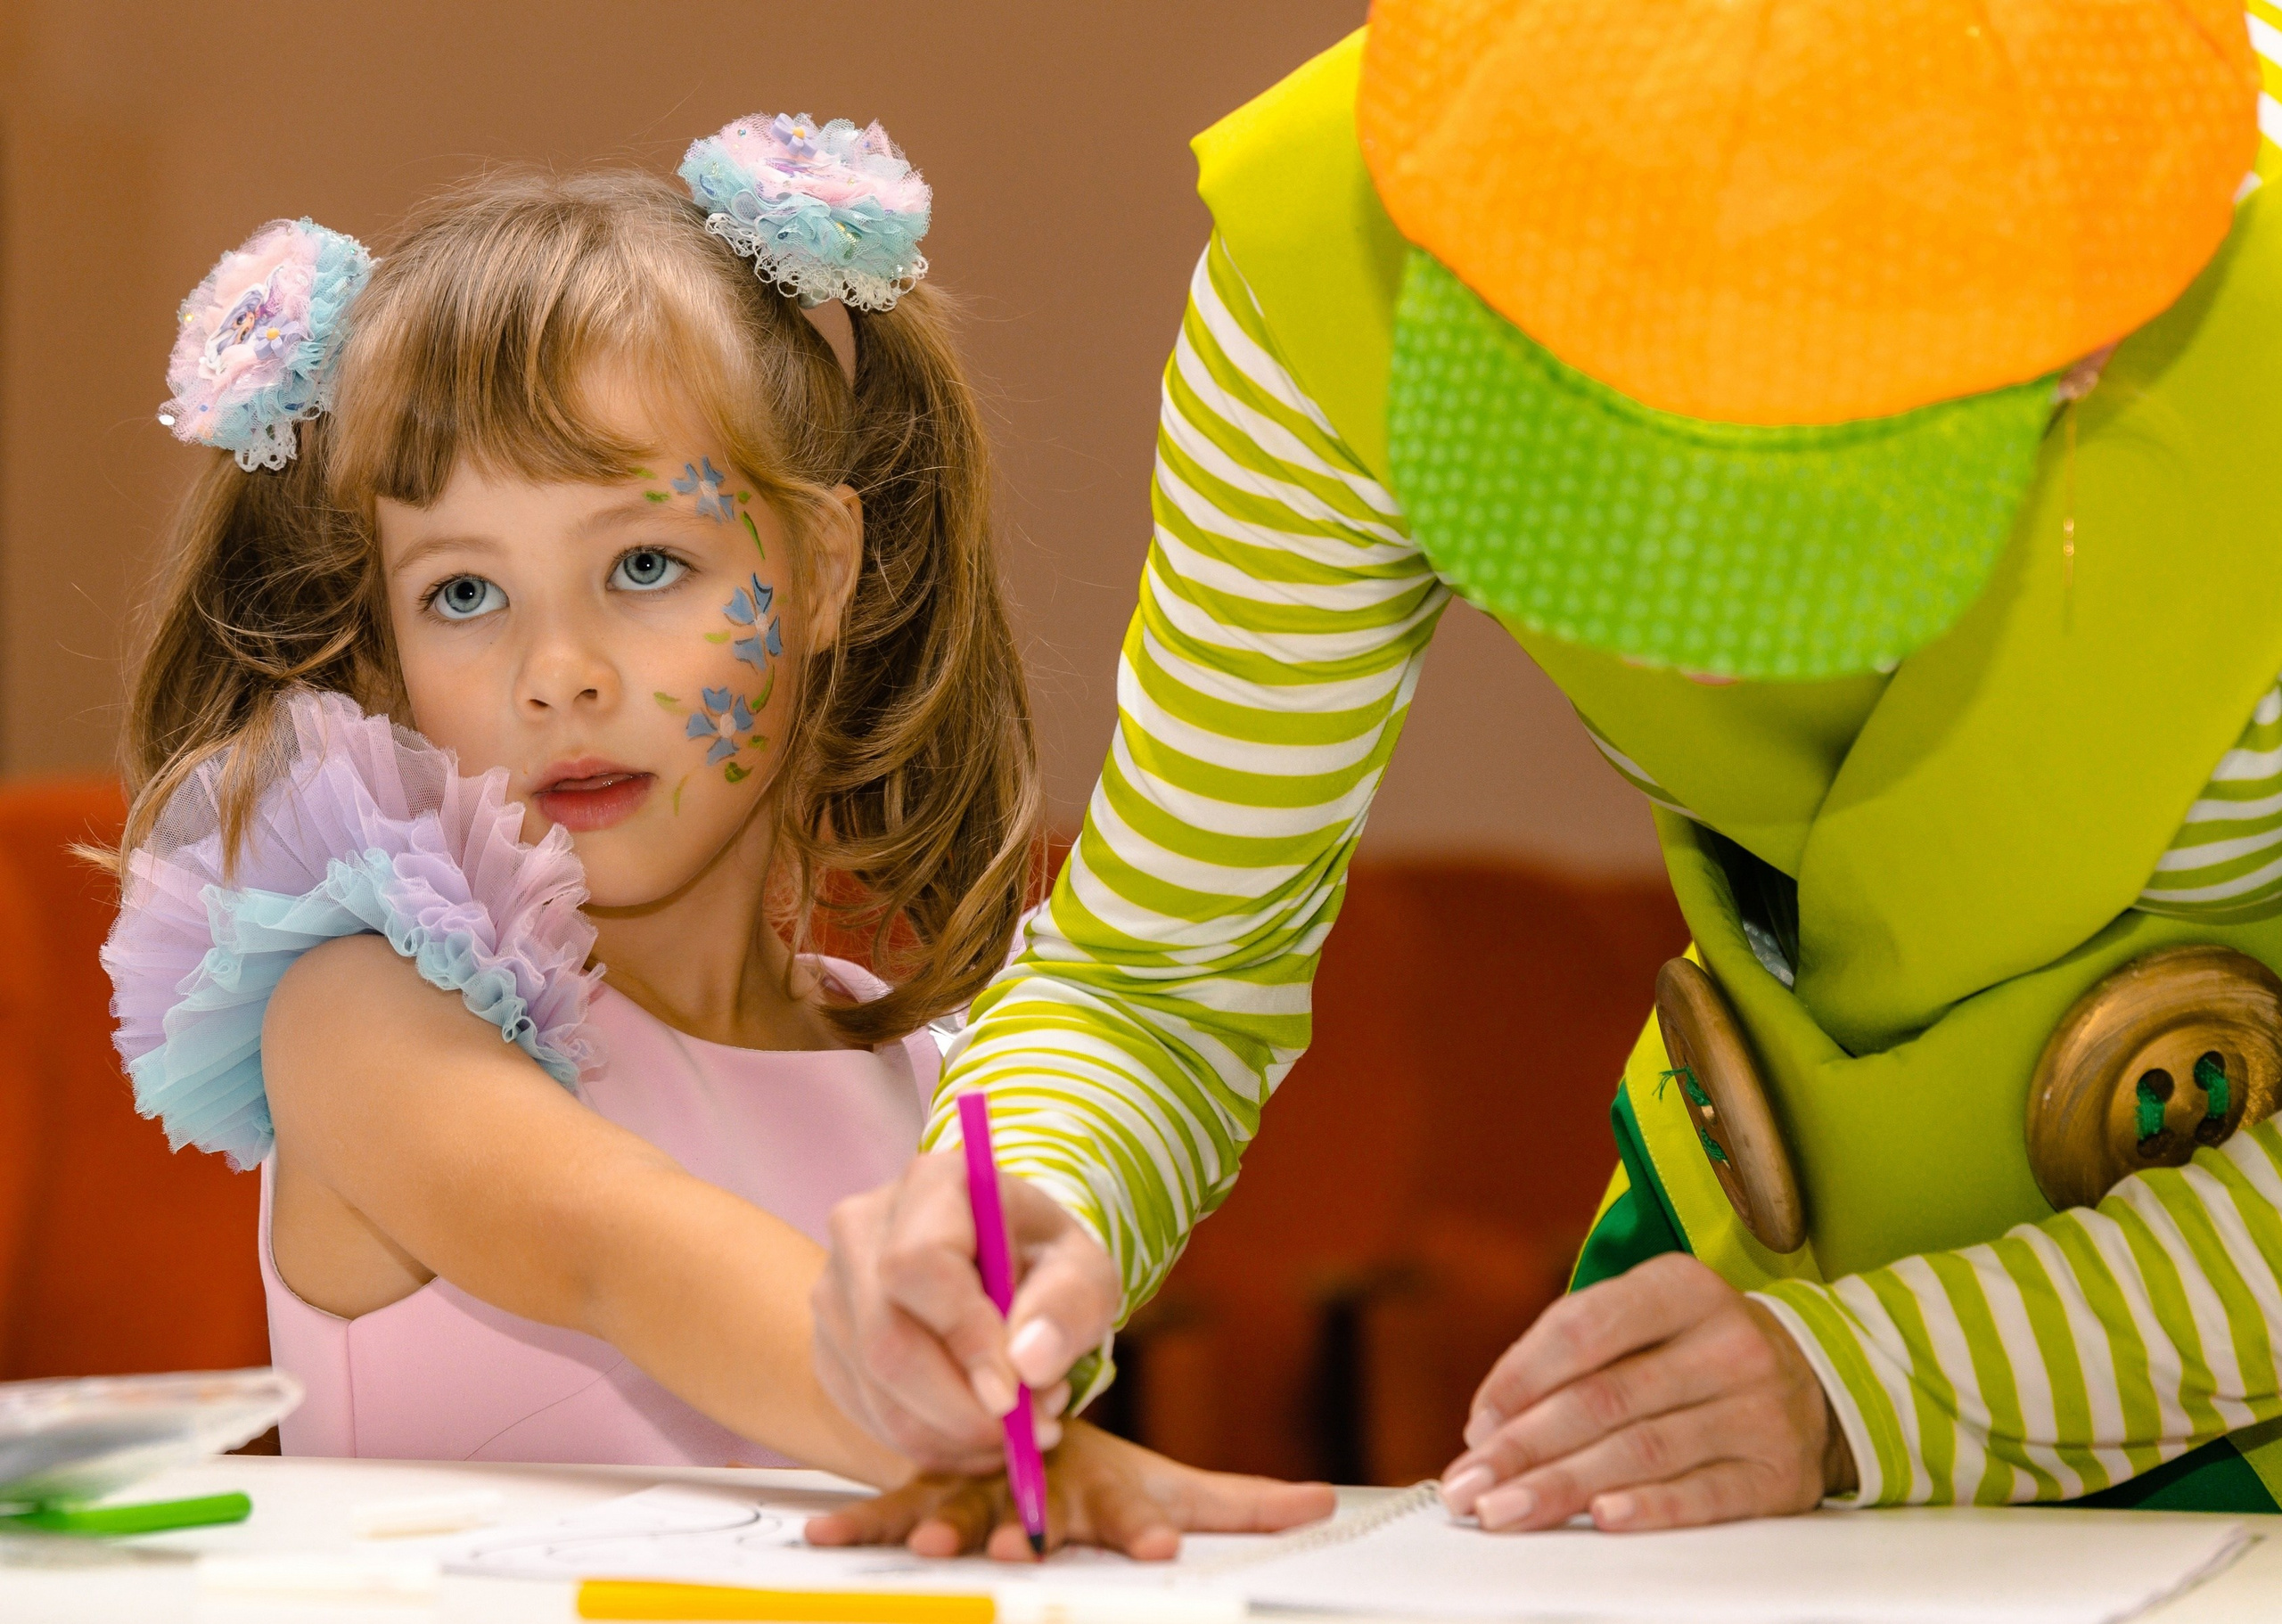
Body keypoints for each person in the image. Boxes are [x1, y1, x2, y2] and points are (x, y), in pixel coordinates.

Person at [815, 0, 2282, 1538]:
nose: (1692, 638)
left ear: (2082, 338)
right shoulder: (1330, 255)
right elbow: (1163, 967)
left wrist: (1883, 1378)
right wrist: (1032, 1194)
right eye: (1593, 475)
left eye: (1802, 506)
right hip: (1764, 1306)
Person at [102, 116, 1333, 1555]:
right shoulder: (364, 1018)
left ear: (817, 568)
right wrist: (990, 1430)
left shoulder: (931, 1072)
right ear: (379, 651)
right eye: (462, 595)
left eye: (642, 564)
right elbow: (618, 1251)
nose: (558, 668)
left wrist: (1020, 1416)